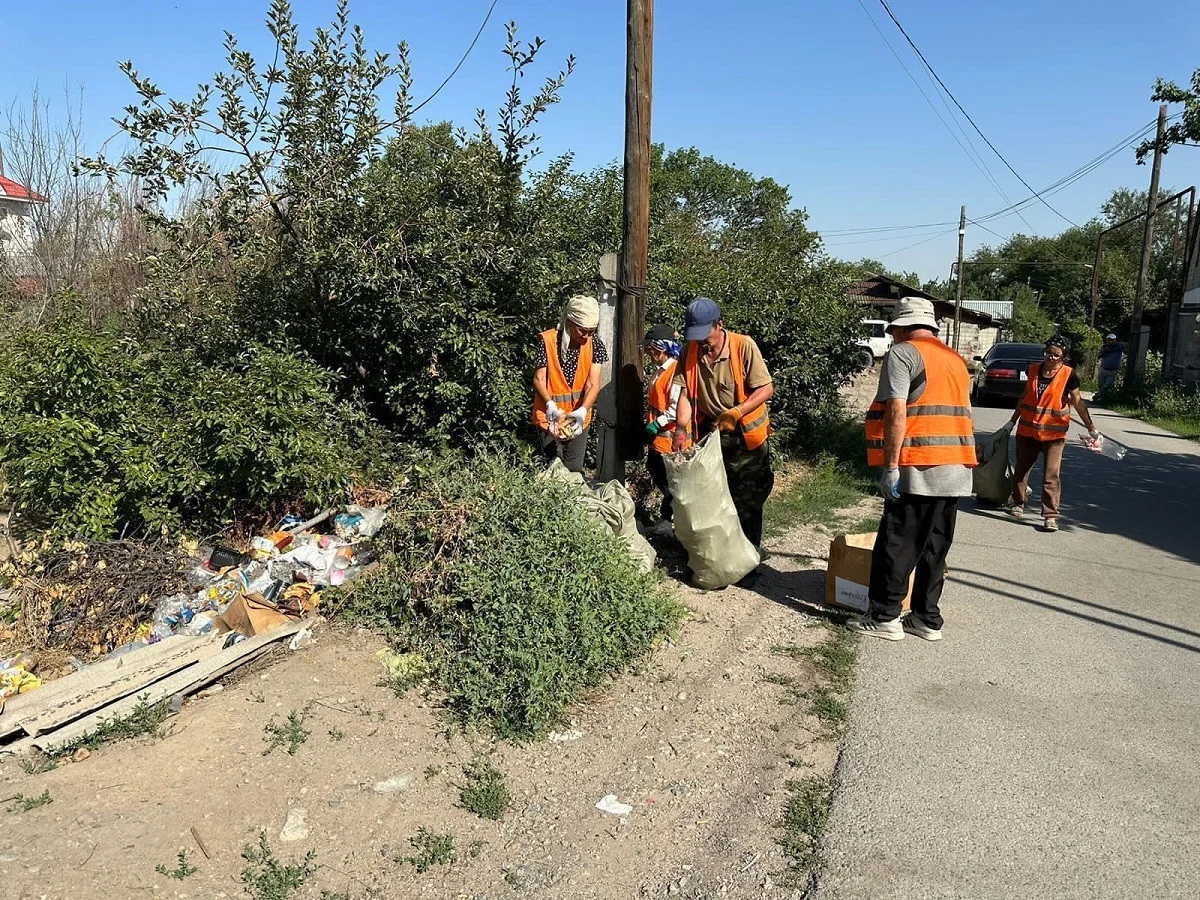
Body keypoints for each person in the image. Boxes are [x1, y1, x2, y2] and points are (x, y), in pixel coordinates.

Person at [850, 297, 976, 642]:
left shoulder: (903, 354)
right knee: (935, 547)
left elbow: (896, 412)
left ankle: (885, 616)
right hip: (956, 468)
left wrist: (891, 466)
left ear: (902, 327)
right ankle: (926, 618)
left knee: (898, 543)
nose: (892, 337)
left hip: (918, 465)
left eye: (893, 331)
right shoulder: (955, 360)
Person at [671, 297, 775, 550]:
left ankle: (748, 557)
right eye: (694, 335)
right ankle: (720, 554)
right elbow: (685, 393)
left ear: (720, 325)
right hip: (711, 433)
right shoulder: (691, 350)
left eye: (704, 333)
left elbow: (766, 388)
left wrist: (736, 412)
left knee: (747, 500)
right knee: (713, 495)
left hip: (744, 435)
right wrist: (681, 429)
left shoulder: (743, 346)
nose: (700, 340)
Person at [1008, 334, 1099, 532]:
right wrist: (1011, 421)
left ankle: (1050, 516)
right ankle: (1018, 502)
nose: (1050, 357)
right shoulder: (1033, 370)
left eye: (1055, 355)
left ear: (1063, 356)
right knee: (1022, 470)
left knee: (1051, 475)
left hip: (1053, 436)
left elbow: (1078, 402)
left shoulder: (1068, 374)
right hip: (1027, 431)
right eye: (1048, 353)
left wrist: (1091, 428)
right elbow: (1025, 397)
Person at [532, 295, 606, 474]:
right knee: (548, 468)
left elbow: (593, 384)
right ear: (569, 322)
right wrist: (550, 404)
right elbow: (539, 379)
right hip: (548, 416)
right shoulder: (547, 341)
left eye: (592, 331)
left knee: (573, 468)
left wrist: (582, 411)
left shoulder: (595, 345)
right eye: (583, 330)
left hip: (577, 419)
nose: (587, 336)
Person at [643, 324, 683, 537]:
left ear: (661, 348)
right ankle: (668, 519)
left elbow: (676, 408)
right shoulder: (662, 370)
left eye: (650, 349)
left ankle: (669, 521)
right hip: (658, 436)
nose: (648, 353)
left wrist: (657, 423)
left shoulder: (675, 372)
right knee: (657, 471)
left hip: (668, 436)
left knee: (669, 481)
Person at [1096, 333, 1125, 400]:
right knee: (1100, 385)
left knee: (1107, 385)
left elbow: (1127, 345)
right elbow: (1099, 355)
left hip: (1113, 370)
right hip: (1103, 369)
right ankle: (1101, 398)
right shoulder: (1104, 346)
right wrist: (1104, 351)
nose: (1110, 341)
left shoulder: (1119, 346)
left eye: (1112, 340)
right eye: (1109, 340)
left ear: (1115, 340)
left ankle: (1104, 398)